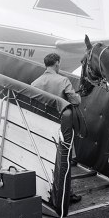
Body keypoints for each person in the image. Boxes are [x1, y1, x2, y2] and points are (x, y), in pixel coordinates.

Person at [31, 53, 82, 204]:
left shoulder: (35, 83)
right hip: (61, 128)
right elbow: (76, 101)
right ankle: (68, 193)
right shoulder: (63, 80)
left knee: (45, 160)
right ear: (57, 63)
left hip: (42, 126)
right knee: (64, 160)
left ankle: (45, 191)